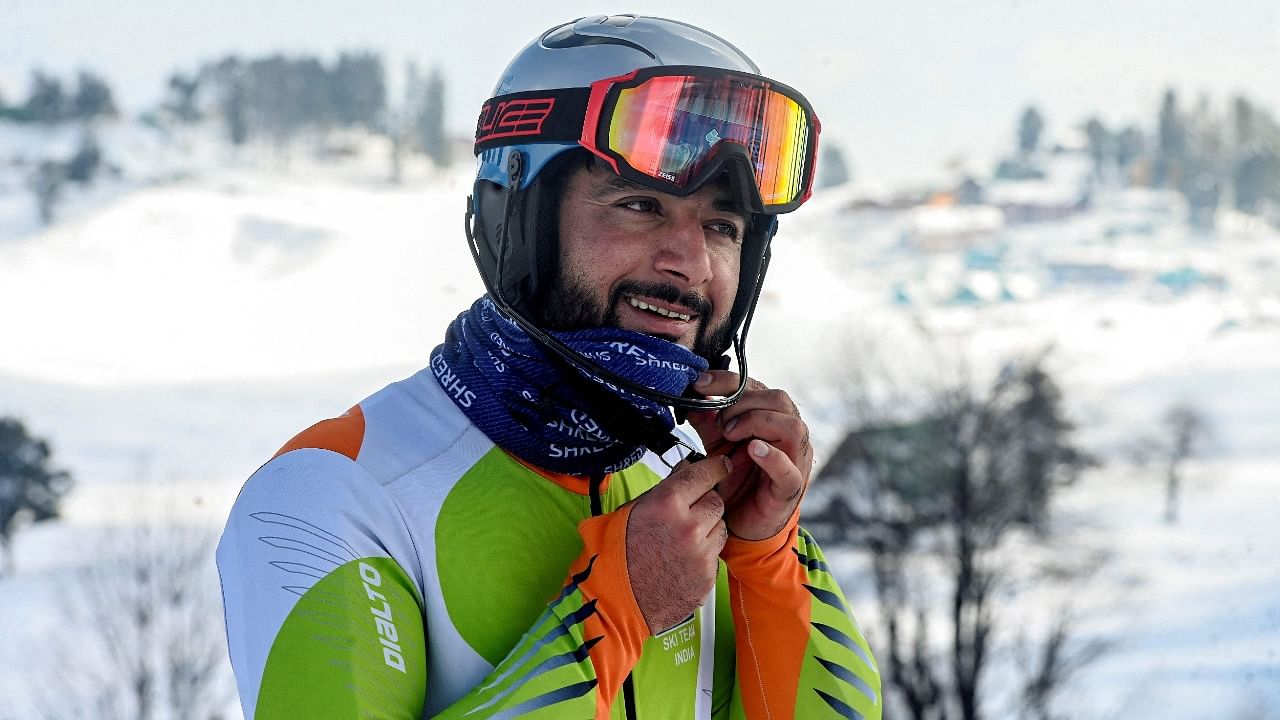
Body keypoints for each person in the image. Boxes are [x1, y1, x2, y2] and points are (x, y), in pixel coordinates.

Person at [217, 14, 881, 720]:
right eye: (640, 205)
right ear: (517, 223)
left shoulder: (700, 493)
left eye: (722, 228)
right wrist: (608, 617)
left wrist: (766, 556)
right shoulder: (335, 490)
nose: (690, 264)